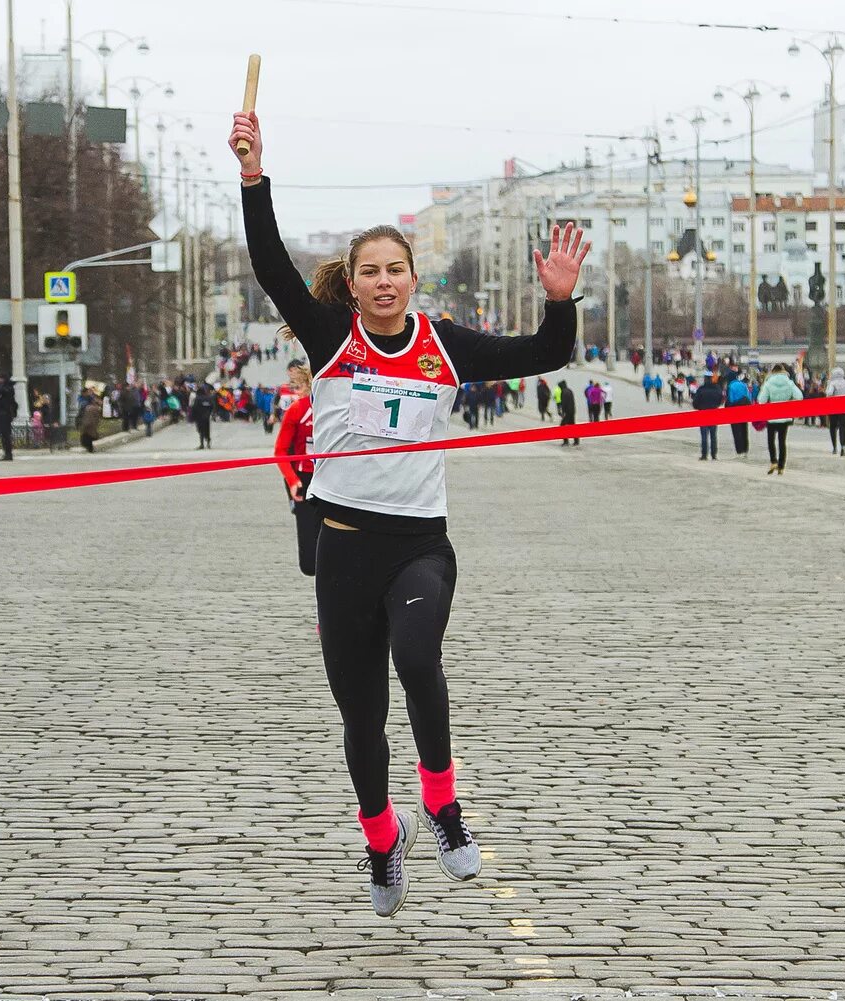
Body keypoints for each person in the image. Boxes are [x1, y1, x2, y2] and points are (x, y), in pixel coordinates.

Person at [232, 107, 586, 917]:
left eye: (397, 268)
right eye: (371, 271)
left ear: (413, 278)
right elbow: (270, 263)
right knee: (362, 719)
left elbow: (543, 354)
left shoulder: (444, 342)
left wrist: (560, 301)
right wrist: (254, 177)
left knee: (419, 659)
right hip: (344, 551)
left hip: (420, 546)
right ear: (352, 283)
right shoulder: (329, 339)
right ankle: (382, 838)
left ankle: (442, 802)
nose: (385, 281)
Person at [275, 359, 319, 577]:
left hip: (335, 480)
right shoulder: (297, 410)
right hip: (305, 480)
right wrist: (293, 481)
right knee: (310, 562)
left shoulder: (340, 408)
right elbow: (281, 452)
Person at [756, 363, 802, 475]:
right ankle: (781, 466)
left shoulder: (768, 383)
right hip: (785, 416)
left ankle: (773, 461)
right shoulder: (789, 383)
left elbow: (761, 400)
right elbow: (799, 396)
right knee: (782, 442)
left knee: (771, 440)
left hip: (772, 416)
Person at [691, 371, 723, 460]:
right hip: (714, 413)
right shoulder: (717, 389)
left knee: (704, 435)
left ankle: (704, 455)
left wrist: (699, 407)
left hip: (703, 414)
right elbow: (720, 400)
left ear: (705, 379)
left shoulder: (701, 389)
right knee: (713, 435)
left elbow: (695, 402)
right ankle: (714, 455)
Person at [825, 366, 845, 456]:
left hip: (833, 409)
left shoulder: (832, 383)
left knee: (833, 428)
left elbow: (829, 393)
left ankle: (834, 447)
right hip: (844, 409)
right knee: (843, 428)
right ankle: (843, 447)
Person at [725, 371, 752, 456]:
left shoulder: (730, 386)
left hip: (735, 411)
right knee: (744, 429)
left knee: (736, 431)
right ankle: (745, 449)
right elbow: (748, 397)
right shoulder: (743, 385)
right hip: (744, 410)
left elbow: (731, 400)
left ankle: (739, 450)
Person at [0, 375, 18, 460]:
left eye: (0, 379)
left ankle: (8, 454)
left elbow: (0, 390)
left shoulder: (7, 389)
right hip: (4, 413)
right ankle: (7, 453)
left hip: (5, 414)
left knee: (5, 435)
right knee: (4, 435)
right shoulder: (7, 388)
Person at [191, 383, 215, 448]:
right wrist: (210, 413)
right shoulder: (208, 398)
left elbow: (194, 407)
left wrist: (193, 416)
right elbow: (212, 406)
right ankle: (208, 443)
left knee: (201, 431)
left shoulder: (198, 398)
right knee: (207, 430)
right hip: (206, 417)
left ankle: (202, 444)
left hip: (199, 417)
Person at [557, 379, 580, 446]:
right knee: (572, 426)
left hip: (567, 412)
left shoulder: (563, 392)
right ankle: (576, 440)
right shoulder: (569, 390)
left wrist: (563, 412)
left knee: (562, 426)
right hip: (572, 411)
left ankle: (566, 441)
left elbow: (564, 403)